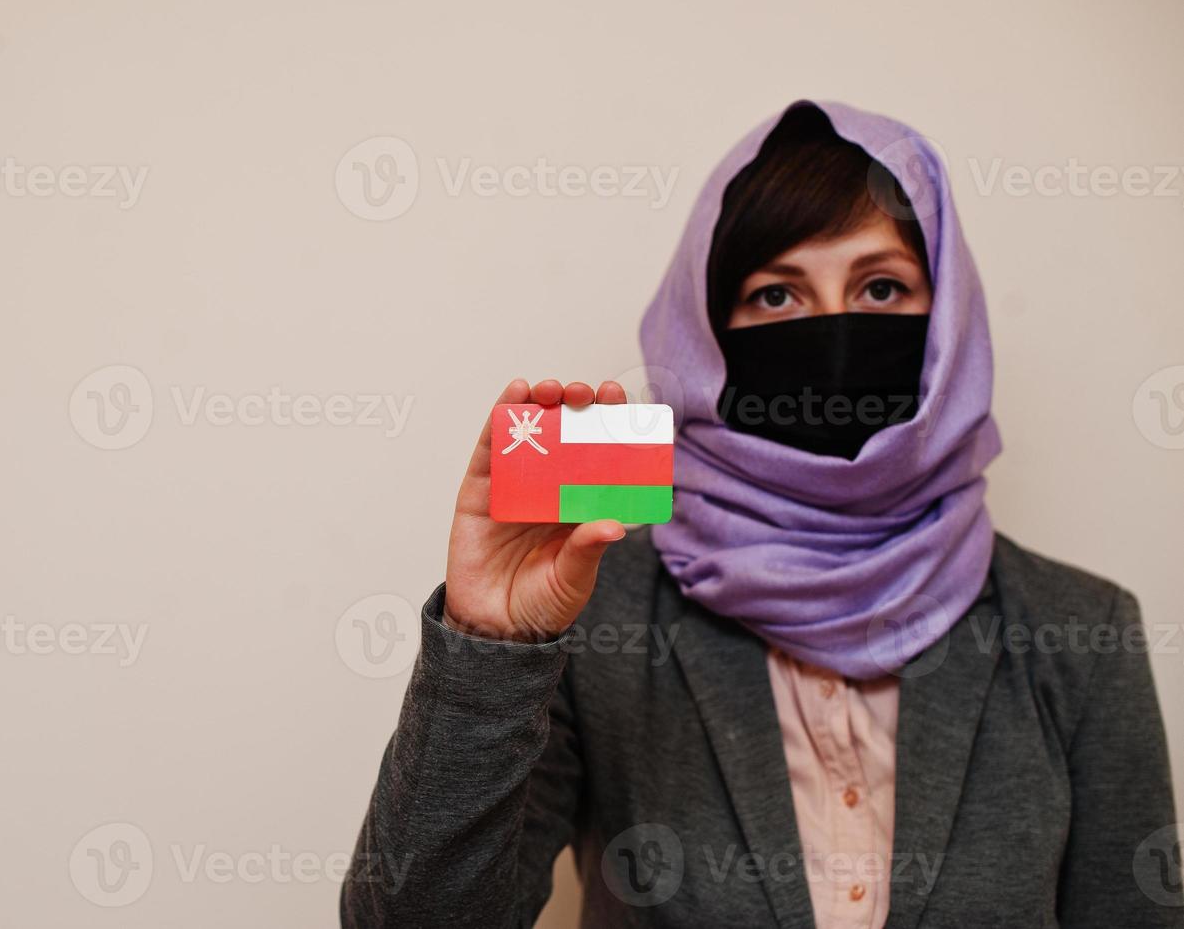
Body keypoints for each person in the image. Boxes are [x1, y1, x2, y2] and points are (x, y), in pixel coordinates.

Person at [340, 101, 1181, 928]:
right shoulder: (601, 610)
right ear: (706, 333)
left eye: (881, 287)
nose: (831, 332)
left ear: (949, 323)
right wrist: (491, 646)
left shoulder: (1080, 633)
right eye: (775, 296)